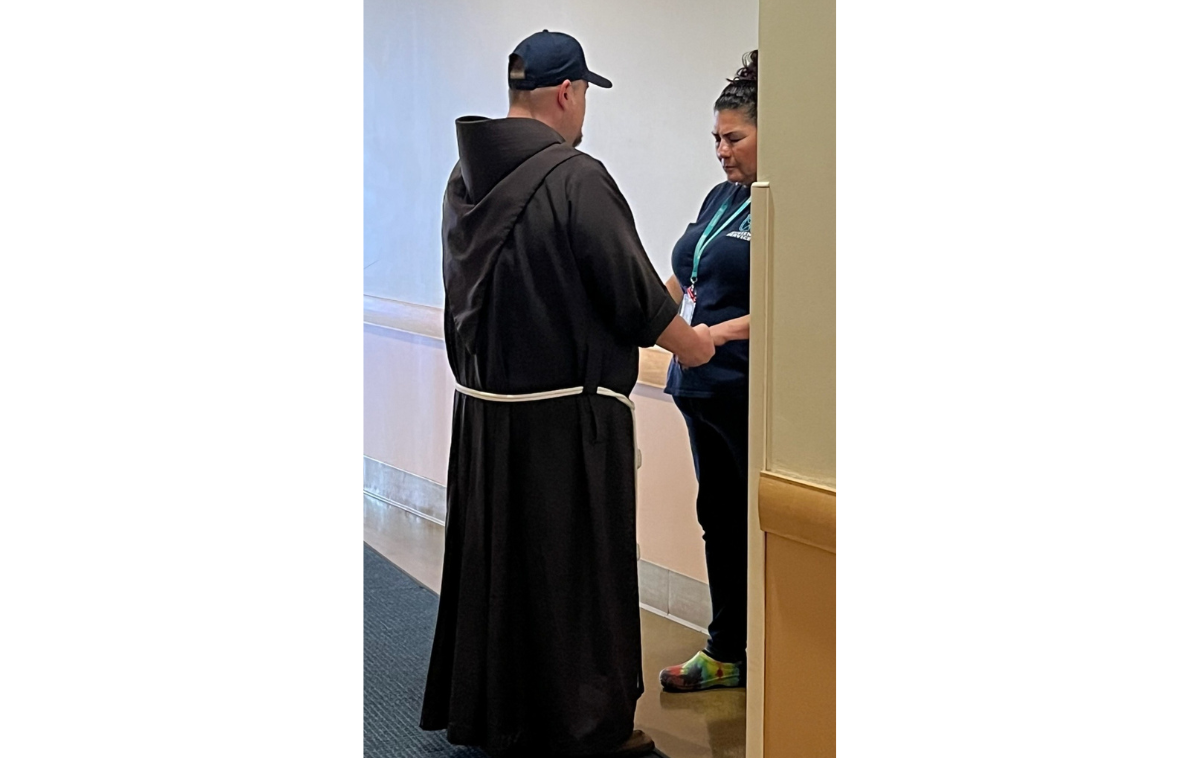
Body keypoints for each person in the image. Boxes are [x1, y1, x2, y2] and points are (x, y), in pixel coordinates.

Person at [419, 30, 716, 758]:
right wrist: (698, 345)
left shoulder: (464, 180)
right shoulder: (577, 177)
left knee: (503, 567)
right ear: (567, 92)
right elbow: (633, 297)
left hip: (487, 419)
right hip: (565, 424)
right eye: (585, 93)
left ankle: (498, 711)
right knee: (571, 573)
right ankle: (582, 726)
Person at [658, 51, 759, 693]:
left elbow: (788, 304)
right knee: (716, 516)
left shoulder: (785, 206)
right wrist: (637, 316)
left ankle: (773, 655)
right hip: (697, 386)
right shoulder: (720, 197)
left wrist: (713, 335)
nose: (721, 151)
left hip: (745, 385)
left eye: (734, 138)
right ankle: (725, 650)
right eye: (716, 139)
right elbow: (684, 276)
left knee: (757, 523)